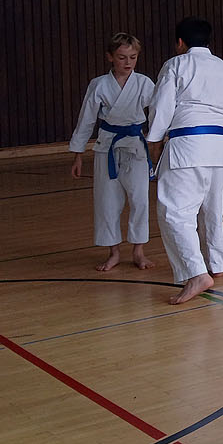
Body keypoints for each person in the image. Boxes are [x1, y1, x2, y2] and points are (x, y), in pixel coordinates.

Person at [147, 17, 223, 304]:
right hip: (219, 146)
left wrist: (153, 139)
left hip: (188, 144)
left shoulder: (177, 65)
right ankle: (218, 263)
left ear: (180, 42)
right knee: (212, 208)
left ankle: (197, 273)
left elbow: (162, 107)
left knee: (175, 212)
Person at [69, 33, 156, 273]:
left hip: (136, 145)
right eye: (121, 57)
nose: (128, 62)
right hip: (106, 145)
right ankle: (114, 252)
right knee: (107, 201)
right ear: (110, 57)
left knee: (140, 199)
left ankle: (138, 250)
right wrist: (78, 154)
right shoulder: (99, 85)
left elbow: (158, 113)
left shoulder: (144, 83)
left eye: (133, 57)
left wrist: (157, 142)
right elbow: (86, 120)